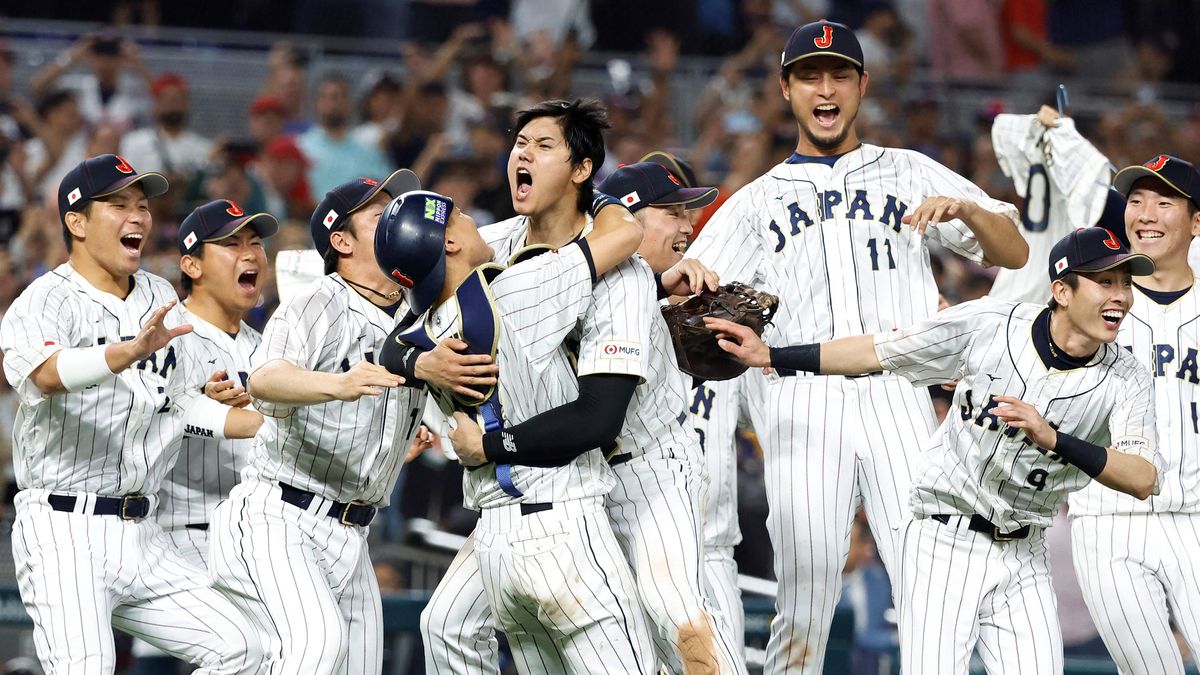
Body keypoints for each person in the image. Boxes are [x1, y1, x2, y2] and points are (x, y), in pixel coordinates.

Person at [683, 19, 1028, 673]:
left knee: (933, 592)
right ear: (786, 88)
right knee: (806, 604)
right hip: (798, 407)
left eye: (839, 73)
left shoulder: (909, 170)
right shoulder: (753, 204)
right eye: (810, 75)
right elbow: (690, 303)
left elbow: (1012, 249)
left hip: (899, 397)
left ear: (862, 85)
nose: (826, 87)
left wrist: (970, 210)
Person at [710, 226, 1161, 673]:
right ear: (1062, 290)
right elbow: (879, 351)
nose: (1120, 294)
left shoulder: (1127, 379)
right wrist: (773, 356)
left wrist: (1055, 439)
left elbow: (1143, 478)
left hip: (1026, 550)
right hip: (946, 537)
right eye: (1105, 281)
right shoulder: (989, 325)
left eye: (1125, 281)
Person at [0, 154, 263, 673]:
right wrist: (128, 350)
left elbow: (183, 403)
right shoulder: (45, 300)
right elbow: (45, 374)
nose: (138, 217)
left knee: (242, 646)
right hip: (64, 526)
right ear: (76, 222)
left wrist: (257, 420)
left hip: (145, 532)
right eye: (118, 205)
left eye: (142, 205)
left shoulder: (158, 293)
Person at [379, 185, 655, 672]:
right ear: (448, 244)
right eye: (461, 215)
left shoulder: (419, 333)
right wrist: (591, 192)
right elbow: (624, 234)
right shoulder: (518, 291)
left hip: (498, 549)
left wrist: (418, 363)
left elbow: (389, 351)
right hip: (565, 528)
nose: (473, 220)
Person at [207, 170, 425, 674]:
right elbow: (266, 378)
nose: (395, 217)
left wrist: (402, 435)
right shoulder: (319, 300)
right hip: (282, 516)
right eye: (379, 213)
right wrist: (342, 384)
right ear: (342, 240)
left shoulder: (413, 314)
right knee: (314, 652)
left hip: (353, 530)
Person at [1068, 154, 1200, 674]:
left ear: (1196, 223)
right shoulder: (1088, 295)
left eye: (1165, 202)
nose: (1145, 213)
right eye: (1137, 200)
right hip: (1107, 522)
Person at [133, 198, 276, 673]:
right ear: (191, 264)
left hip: (248, 543)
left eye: (255, 242)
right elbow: (141, 418)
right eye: (232, 244)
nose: (251, 254)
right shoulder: (166, 337)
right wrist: (195, 400)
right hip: (177, 535)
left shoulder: (270, 351)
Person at [990, 103, 1124, 303]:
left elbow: (1004, 129)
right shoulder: (1107, 199)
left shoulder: (1108, 200)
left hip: (1034, 291)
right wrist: (1040, 124)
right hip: (1034, 291)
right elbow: (1003, 128)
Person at [120, 73, 212, 181]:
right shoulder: (134, 142)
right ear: (155, 105)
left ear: (187, 104)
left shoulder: (204, 148)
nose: (172, 104)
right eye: (167, 99)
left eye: (177, 99)